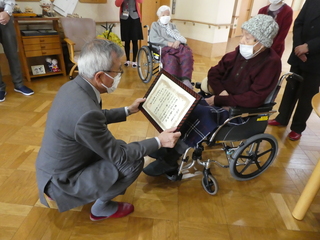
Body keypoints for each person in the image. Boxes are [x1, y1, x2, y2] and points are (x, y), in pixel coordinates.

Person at [35, 39, 181, 220]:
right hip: (61, 183)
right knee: (132, 161)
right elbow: (119, 154)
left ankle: (92, 191)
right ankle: (100, 208)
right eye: (118, 70)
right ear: (99, 76)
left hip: (56, 168)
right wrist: (159, 141)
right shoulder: (85, 113)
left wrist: (128, 110)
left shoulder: (74, 86)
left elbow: (94, 116)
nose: (120, 74)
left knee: (118, 147)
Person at [143, 14, 281, 177]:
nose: (242, 41)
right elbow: (214, 72)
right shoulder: (239, 53)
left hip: (242, 111)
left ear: (263, 43)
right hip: (223, 99)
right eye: (243, 35)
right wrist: (221, 94)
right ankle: (169, 146)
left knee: (203, 113)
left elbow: (254, 98)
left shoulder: (271, 63)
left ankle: (172, 157)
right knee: (188, 104)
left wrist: (218, 99)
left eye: (248, 38)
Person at [268, 0, 320, 141]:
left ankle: (297, 127)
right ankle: (282, 117)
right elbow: (299, 23)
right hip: (298, 55)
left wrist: (309, 47)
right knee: (290, 89)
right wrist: (298, 47)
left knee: (307, 95)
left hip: (316, 60)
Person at [149, 5, 194, 89]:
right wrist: (167, 43)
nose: (166, 17)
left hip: (176, 46)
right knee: (171, 59)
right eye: (163, 15)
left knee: (187, 53)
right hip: (163, 47)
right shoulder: (155, 25)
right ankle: (171, 81)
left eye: (167, 15)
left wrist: (178, 41)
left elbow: (178, 35)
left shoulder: (172, 26)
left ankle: (185, 80)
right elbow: (153, 38)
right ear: (159, 16)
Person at [0, 0, 34, 102]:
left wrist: (7, 12)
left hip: (5, 16)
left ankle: (19, 84)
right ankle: (0, 88)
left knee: (12, 54)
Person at [115, 0, 143, 68]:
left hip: (135, 18)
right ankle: (127, 60)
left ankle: (134, 60)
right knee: (126, 40)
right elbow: (117, 4)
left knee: (135, 40)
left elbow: (141, 1)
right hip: (124, 18)